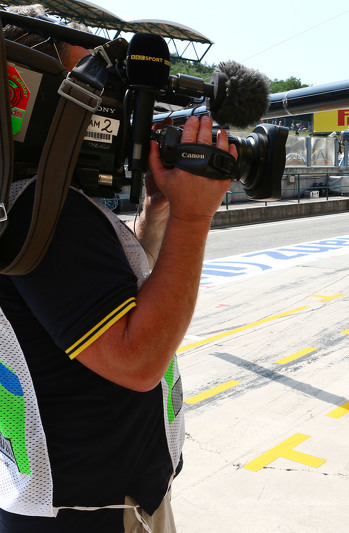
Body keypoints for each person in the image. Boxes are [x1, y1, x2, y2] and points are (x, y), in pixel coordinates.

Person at [0, 7, 237, 532]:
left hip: (75, 504)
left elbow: (114, 304)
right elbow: (136, 360)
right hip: (91, 514)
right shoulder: (43, 210)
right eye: (89, 84)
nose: (106, 106)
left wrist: (161, 214)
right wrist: (195, 218)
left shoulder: (24, 202)